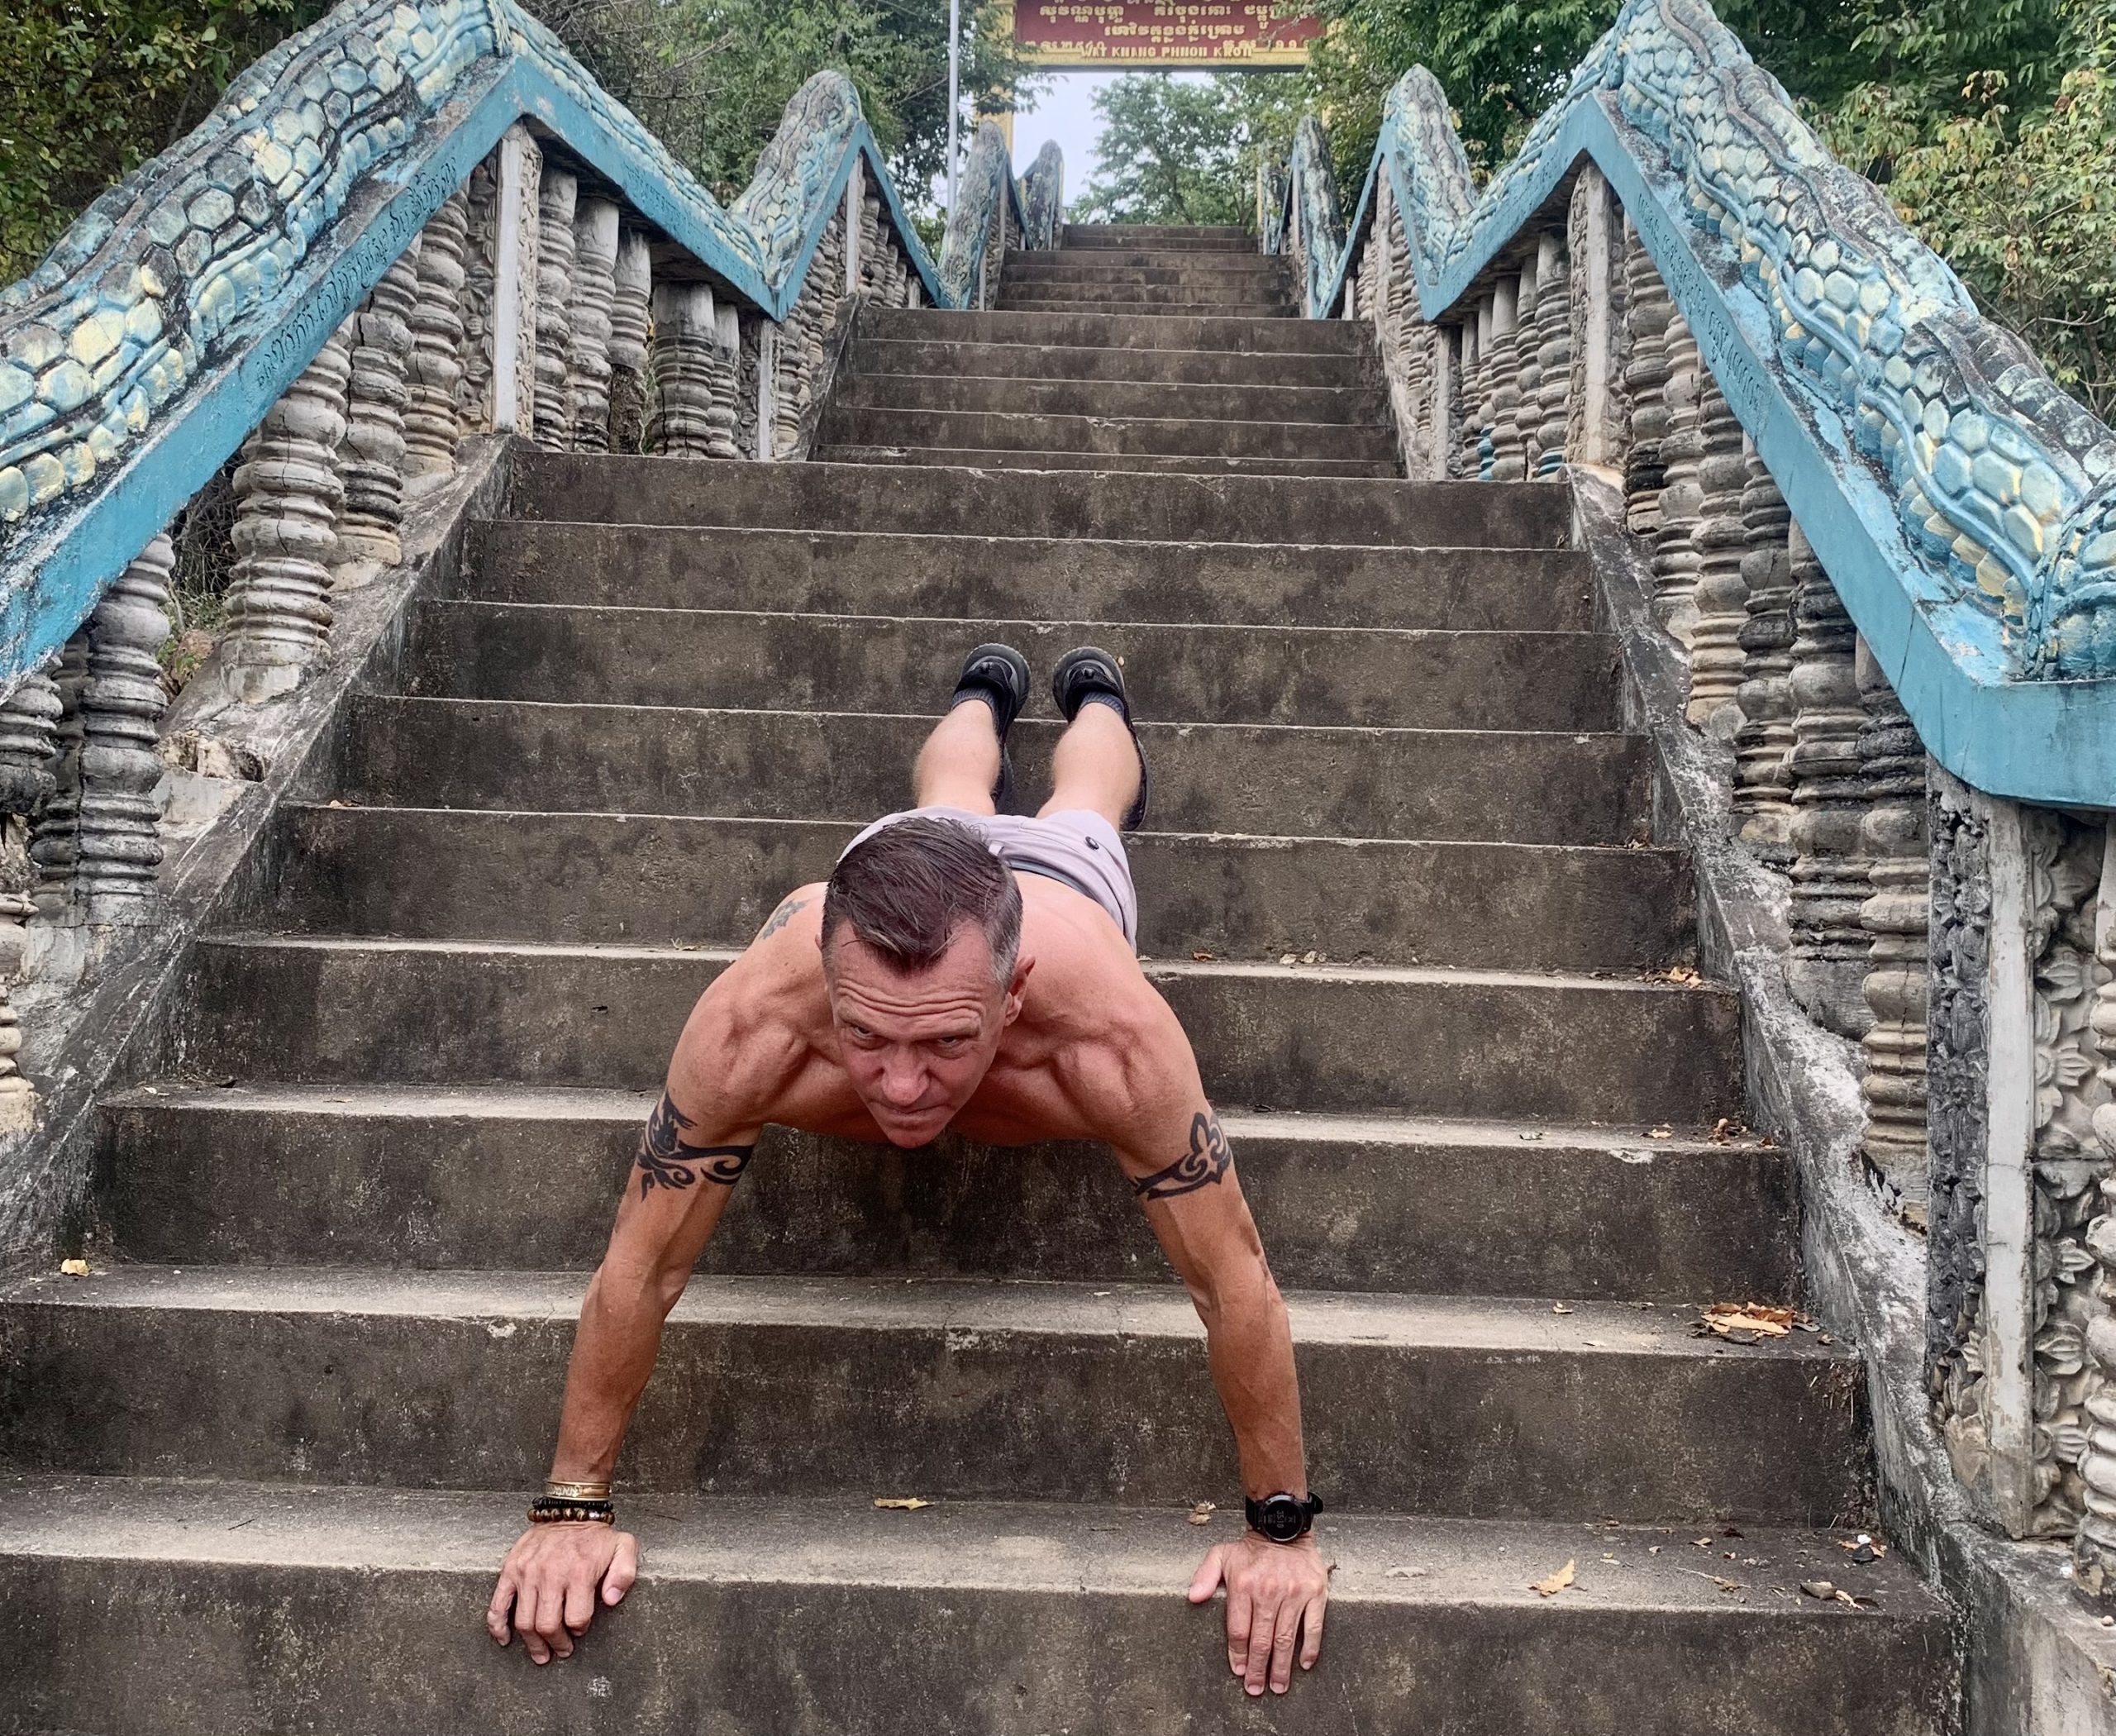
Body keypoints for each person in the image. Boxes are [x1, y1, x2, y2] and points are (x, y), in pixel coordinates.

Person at [485, 644, 1328, 1698]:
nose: (900, 1086)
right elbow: (642, 1263)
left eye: (945, 1043)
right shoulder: (754, 1026)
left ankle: (1097, 695)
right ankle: (986, 690)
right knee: (947, 797)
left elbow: (1232, 1278)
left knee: (1083, 809)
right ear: (828, 977)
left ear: (1012, 996)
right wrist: (571, 1507)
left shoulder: (1111, 1042)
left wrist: (1281, 1529)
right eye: (866, 1037)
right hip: (905, 865)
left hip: (1058, 887)